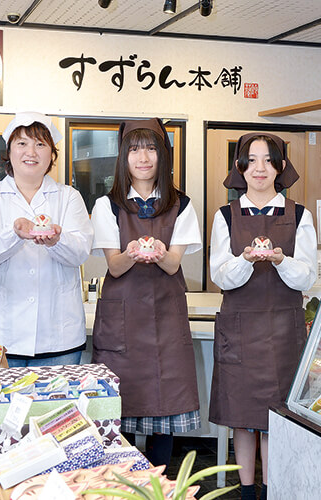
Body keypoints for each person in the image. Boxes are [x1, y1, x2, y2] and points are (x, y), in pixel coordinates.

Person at [209, 133, 317, 500]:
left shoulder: (299, 215)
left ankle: (271, 490)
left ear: (281, 167)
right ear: (240, 167)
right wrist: (245, 260)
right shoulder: (225, 216)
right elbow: (220, 276)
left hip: (283, 331)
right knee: (241, 418)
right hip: (239, 329)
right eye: (252, 160)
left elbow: (307, 277)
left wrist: (281, 260)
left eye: (268, 160)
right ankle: (246, 492)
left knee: (274, 418)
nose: (260, 168)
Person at [91, 118, 202, 473]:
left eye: (151, 149)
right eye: (135, 150)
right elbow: (115, 266)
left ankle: (159, 487)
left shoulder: (181, 205)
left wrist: (160, 254)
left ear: (162, 155)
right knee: (118, 413)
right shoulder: (107, 205)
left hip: (165, 320)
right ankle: (119, 489)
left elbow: (173, 265)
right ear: (123, 156)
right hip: (122, 322)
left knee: (164, 409)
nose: (143, 158)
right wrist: (132, 254)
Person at [0, 112, 93, 367]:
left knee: (59, 396)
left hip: (58, 337)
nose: (31, 152)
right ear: (9, 151)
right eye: (22, 143)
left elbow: (80, 252)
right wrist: (14, 234)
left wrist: (57, 241)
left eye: (40, 144)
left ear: (52, 154)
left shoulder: (69, 197)